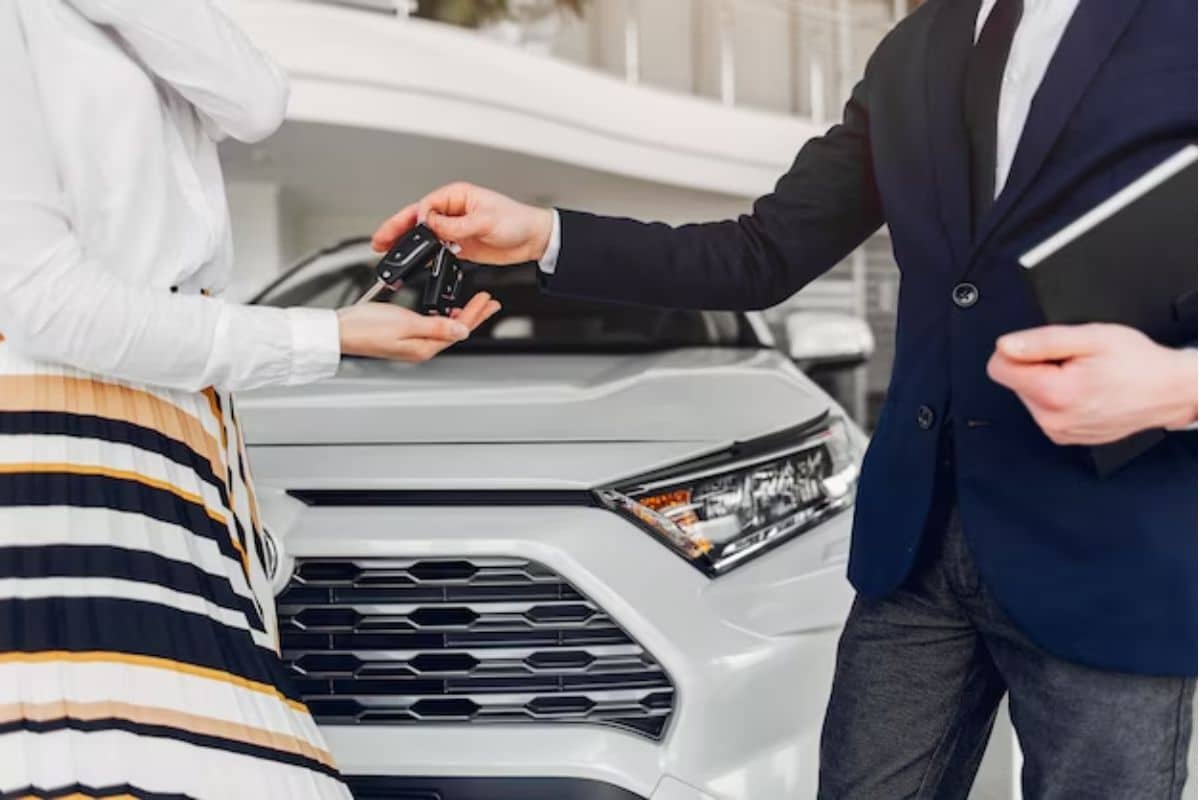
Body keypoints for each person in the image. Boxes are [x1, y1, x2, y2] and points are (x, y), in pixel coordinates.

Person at [374, 0, 1198, 796]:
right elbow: (763, 255)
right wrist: (547, 235)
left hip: (1115, 542)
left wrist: (1173, 386)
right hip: (915, 552)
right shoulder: (914, 50)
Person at [0, 1, 499, 797]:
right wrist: (327, 337)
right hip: (61, 452)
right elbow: (44, 302)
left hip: (171, 436)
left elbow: (254, 98)